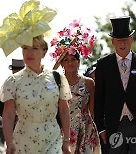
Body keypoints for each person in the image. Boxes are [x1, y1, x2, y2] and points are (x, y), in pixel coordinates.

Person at [0, 1, 72, 154]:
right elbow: (8, 115)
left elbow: (63, 110)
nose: (29, 53)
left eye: (35, 48)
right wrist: (9, 143)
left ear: (44, 52)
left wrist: (66, 141)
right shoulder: (13, 81)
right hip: (23, 142)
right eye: (25, 48)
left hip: (53, 139)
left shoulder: (57, 78)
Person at [94, 16, 136, 154]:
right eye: (119, 40)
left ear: (131, 39)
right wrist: (101, 128)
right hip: (114, 126)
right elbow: (99, 99)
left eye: (125, 39)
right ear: (113, 42)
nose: (122, 43)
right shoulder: (103, 65)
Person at [51, 20, 101, 154]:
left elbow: (92, 111)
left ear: (79, 62)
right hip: (63, 129)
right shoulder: (56, 82)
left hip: (85, 128)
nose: (70, 63)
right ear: (61, 63)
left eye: (73, 59)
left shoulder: (89, 83)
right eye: (65, 60)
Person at [84, 64, 109, 154]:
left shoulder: (110, 93)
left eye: (96, 75)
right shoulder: (85, 95)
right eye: (91, 77)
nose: (94, 79)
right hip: (91, 132)